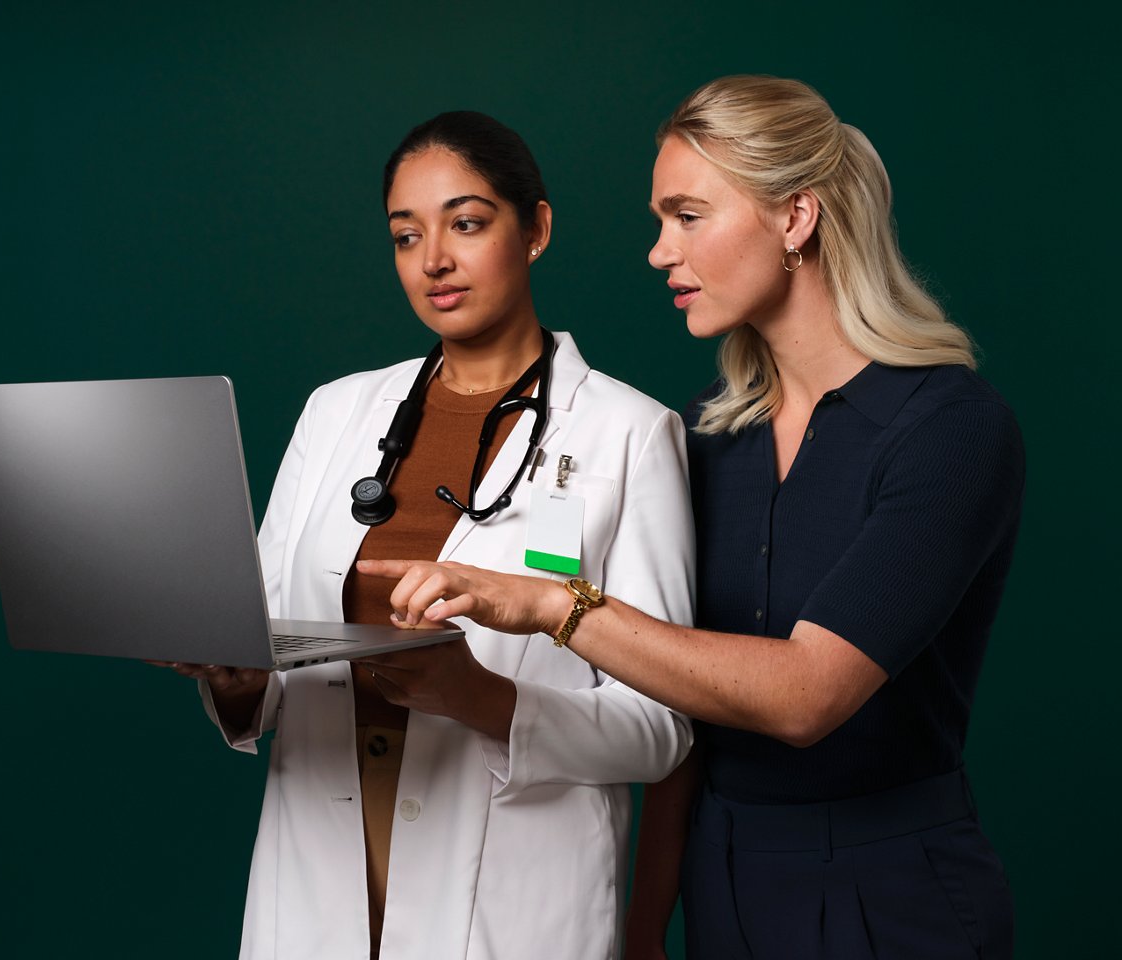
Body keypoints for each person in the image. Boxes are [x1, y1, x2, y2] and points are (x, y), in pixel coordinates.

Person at [361, 77, 1024, 960]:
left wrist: (550, 604)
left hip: (891, 890)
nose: (658, 251)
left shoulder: (951, 430)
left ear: (795, 218)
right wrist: (644, 927)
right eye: (658, 221)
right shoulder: (710, 435)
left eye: (686, 216)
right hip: (722, 882)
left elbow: (805, 696)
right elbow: (684, 710)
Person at [159, 111, 695, 960]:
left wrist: (480, 695)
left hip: (509, 887)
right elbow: (265, 664)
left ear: (537, 230)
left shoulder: (630, 435)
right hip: (318, 866)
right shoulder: (334, 413)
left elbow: (660, 729)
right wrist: (229, 674)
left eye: (467, 224)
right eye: (406, 236)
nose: (433, 259)